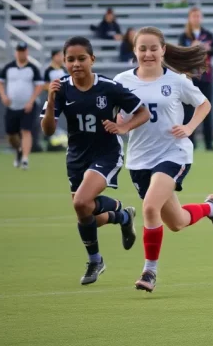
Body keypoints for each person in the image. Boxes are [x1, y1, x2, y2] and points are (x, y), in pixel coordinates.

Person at [114, 27, 213, 292]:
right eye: (142, 48)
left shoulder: (176, 81)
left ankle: (149, 272)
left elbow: (204, 105)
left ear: (163, 50)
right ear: (134, 51)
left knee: (150, 208)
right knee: (176, 222)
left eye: (154, 48)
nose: (148, 53)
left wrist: (189, 128)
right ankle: (210, 209)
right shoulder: (121, 81)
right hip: (140, 159)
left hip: (173, 154)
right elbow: (116, 113)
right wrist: (119, 121)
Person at [40, 36, 150, 285]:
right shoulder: (61, 89)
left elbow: (143, 112)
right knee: (85, 212)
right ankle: (122, 216)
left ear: (92, 59)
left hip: (107, 154)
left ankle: (95, 260)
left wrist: (124, 128)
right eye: (70, 59)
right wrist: (50, 101)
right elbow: (47, 130)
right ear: (64, 62)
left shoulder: (108, 87)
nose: (76, 64)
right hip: (77, 157)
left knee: (81, 201)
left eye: (81, 58)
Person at [0, 42, 44, 169]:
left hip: (28, 107)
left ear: (27, 52)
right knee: (11, 134)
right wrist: (3, 96)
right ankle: (19, 150)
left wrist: (31, 101)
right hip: (12, 107)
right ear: (16, 52)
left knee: (26, 131)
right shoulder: (9, 68)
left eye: (23, 51)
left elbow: (39, 85)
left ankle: (25, 159)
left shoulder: (32, 68)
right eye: (19, 51)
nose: (21, 53)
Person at [178, 7, 213, 151]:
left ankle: (209, 144)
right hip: (189, 78)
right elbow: (180, 53)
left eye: (198, 16)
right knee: (188, 111)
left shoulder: (208, 34)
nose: (196, 18)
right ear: (189, 18)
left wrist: (206, 48)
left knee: (206, 109)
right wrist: (192, 47)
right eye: (193, 16)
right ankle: (190, 142)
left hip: (205, 77)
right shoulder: (184, 36)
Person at [43, 49, 68, 151]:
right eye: (59, 55)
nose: (62, 58)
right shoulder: (49, 70)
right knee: (51, 120)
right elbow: (44, 85)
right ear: (54, 56)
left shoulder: (64, 69)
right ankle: (51, 143)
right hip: (53, 100)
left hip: (65, 99)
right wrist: (53, 87)